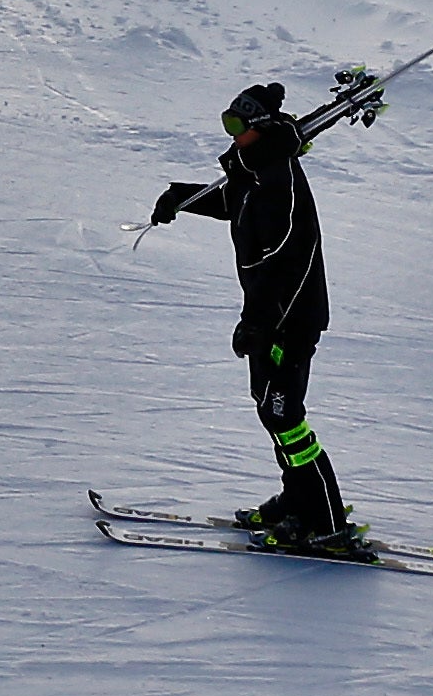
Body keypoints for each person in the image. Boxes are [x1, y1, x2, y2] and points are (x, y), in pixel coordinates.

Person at [149, 81, 358, 551]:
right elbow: (234, 203)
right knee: (270, 407)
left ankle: (324, 519)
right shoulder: (255, 167)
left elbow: (275, 262)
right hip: (273, 317)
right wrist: (180, 198)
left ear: (259, 128)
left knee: (286, 417)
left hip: (292, 316)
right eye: (227, 123)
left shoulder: (275, 180)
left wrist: (259, 324)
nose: (231, 134)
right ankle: (298, 499)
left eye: (237, 125)